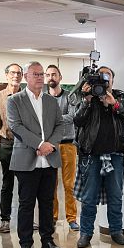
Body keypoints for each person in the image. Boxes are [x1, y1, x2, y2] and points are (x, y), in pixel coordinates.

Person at [73, 65, 124, 248]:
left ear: (112, 81)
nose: (104, 82)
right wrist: (86, 100)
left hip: (115, 154)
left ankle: (116, 231)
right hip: (91, 155)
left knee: (116, 196)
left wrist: (114, 104)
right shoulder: (88, 97)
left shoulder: (119, 96)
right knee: (89, 198)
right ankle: (85, 234)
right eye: (100, 78)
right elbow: (77, 120)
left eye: (107, 78)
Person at [7, 61, 64, 248]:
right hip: (26, 161)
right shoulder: (15, 101)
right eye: (36, 74)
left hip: (49, 161)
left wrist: (50, 145)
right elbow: (17, 127)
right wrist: (40, 144)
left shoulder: (51, 101)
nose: (40, 77)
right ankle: (25, 244)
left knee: (48, 203)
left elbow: (60, 125)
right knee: (26, 204)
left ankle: (47, 241)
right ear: (26, 77)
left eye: (42, 74)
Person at [45, 64, 80, 232]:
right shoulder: (43, 98)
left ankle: (72, 218)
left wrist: (52, 118)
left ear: (60, 77)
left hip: (68, 144)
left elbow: (72, 117)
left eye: (54, 74)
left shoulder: (70, 97)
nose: (51, 77)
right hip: (50, 146)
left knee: (69, 184)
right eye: (48, 75)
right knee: (51, 184)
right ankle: (52, 216)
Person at [0, 63, 23, 234]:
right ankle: (5, 219)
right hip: (7, 144)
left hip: (26, 146)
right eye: (12, 73)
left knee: (26, 185)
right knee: (7, 183)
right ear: (6, 75)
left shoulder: (27, 96)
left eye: (18, 73)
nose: (15, 76)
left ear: (22, 76)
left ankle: (27, 219)